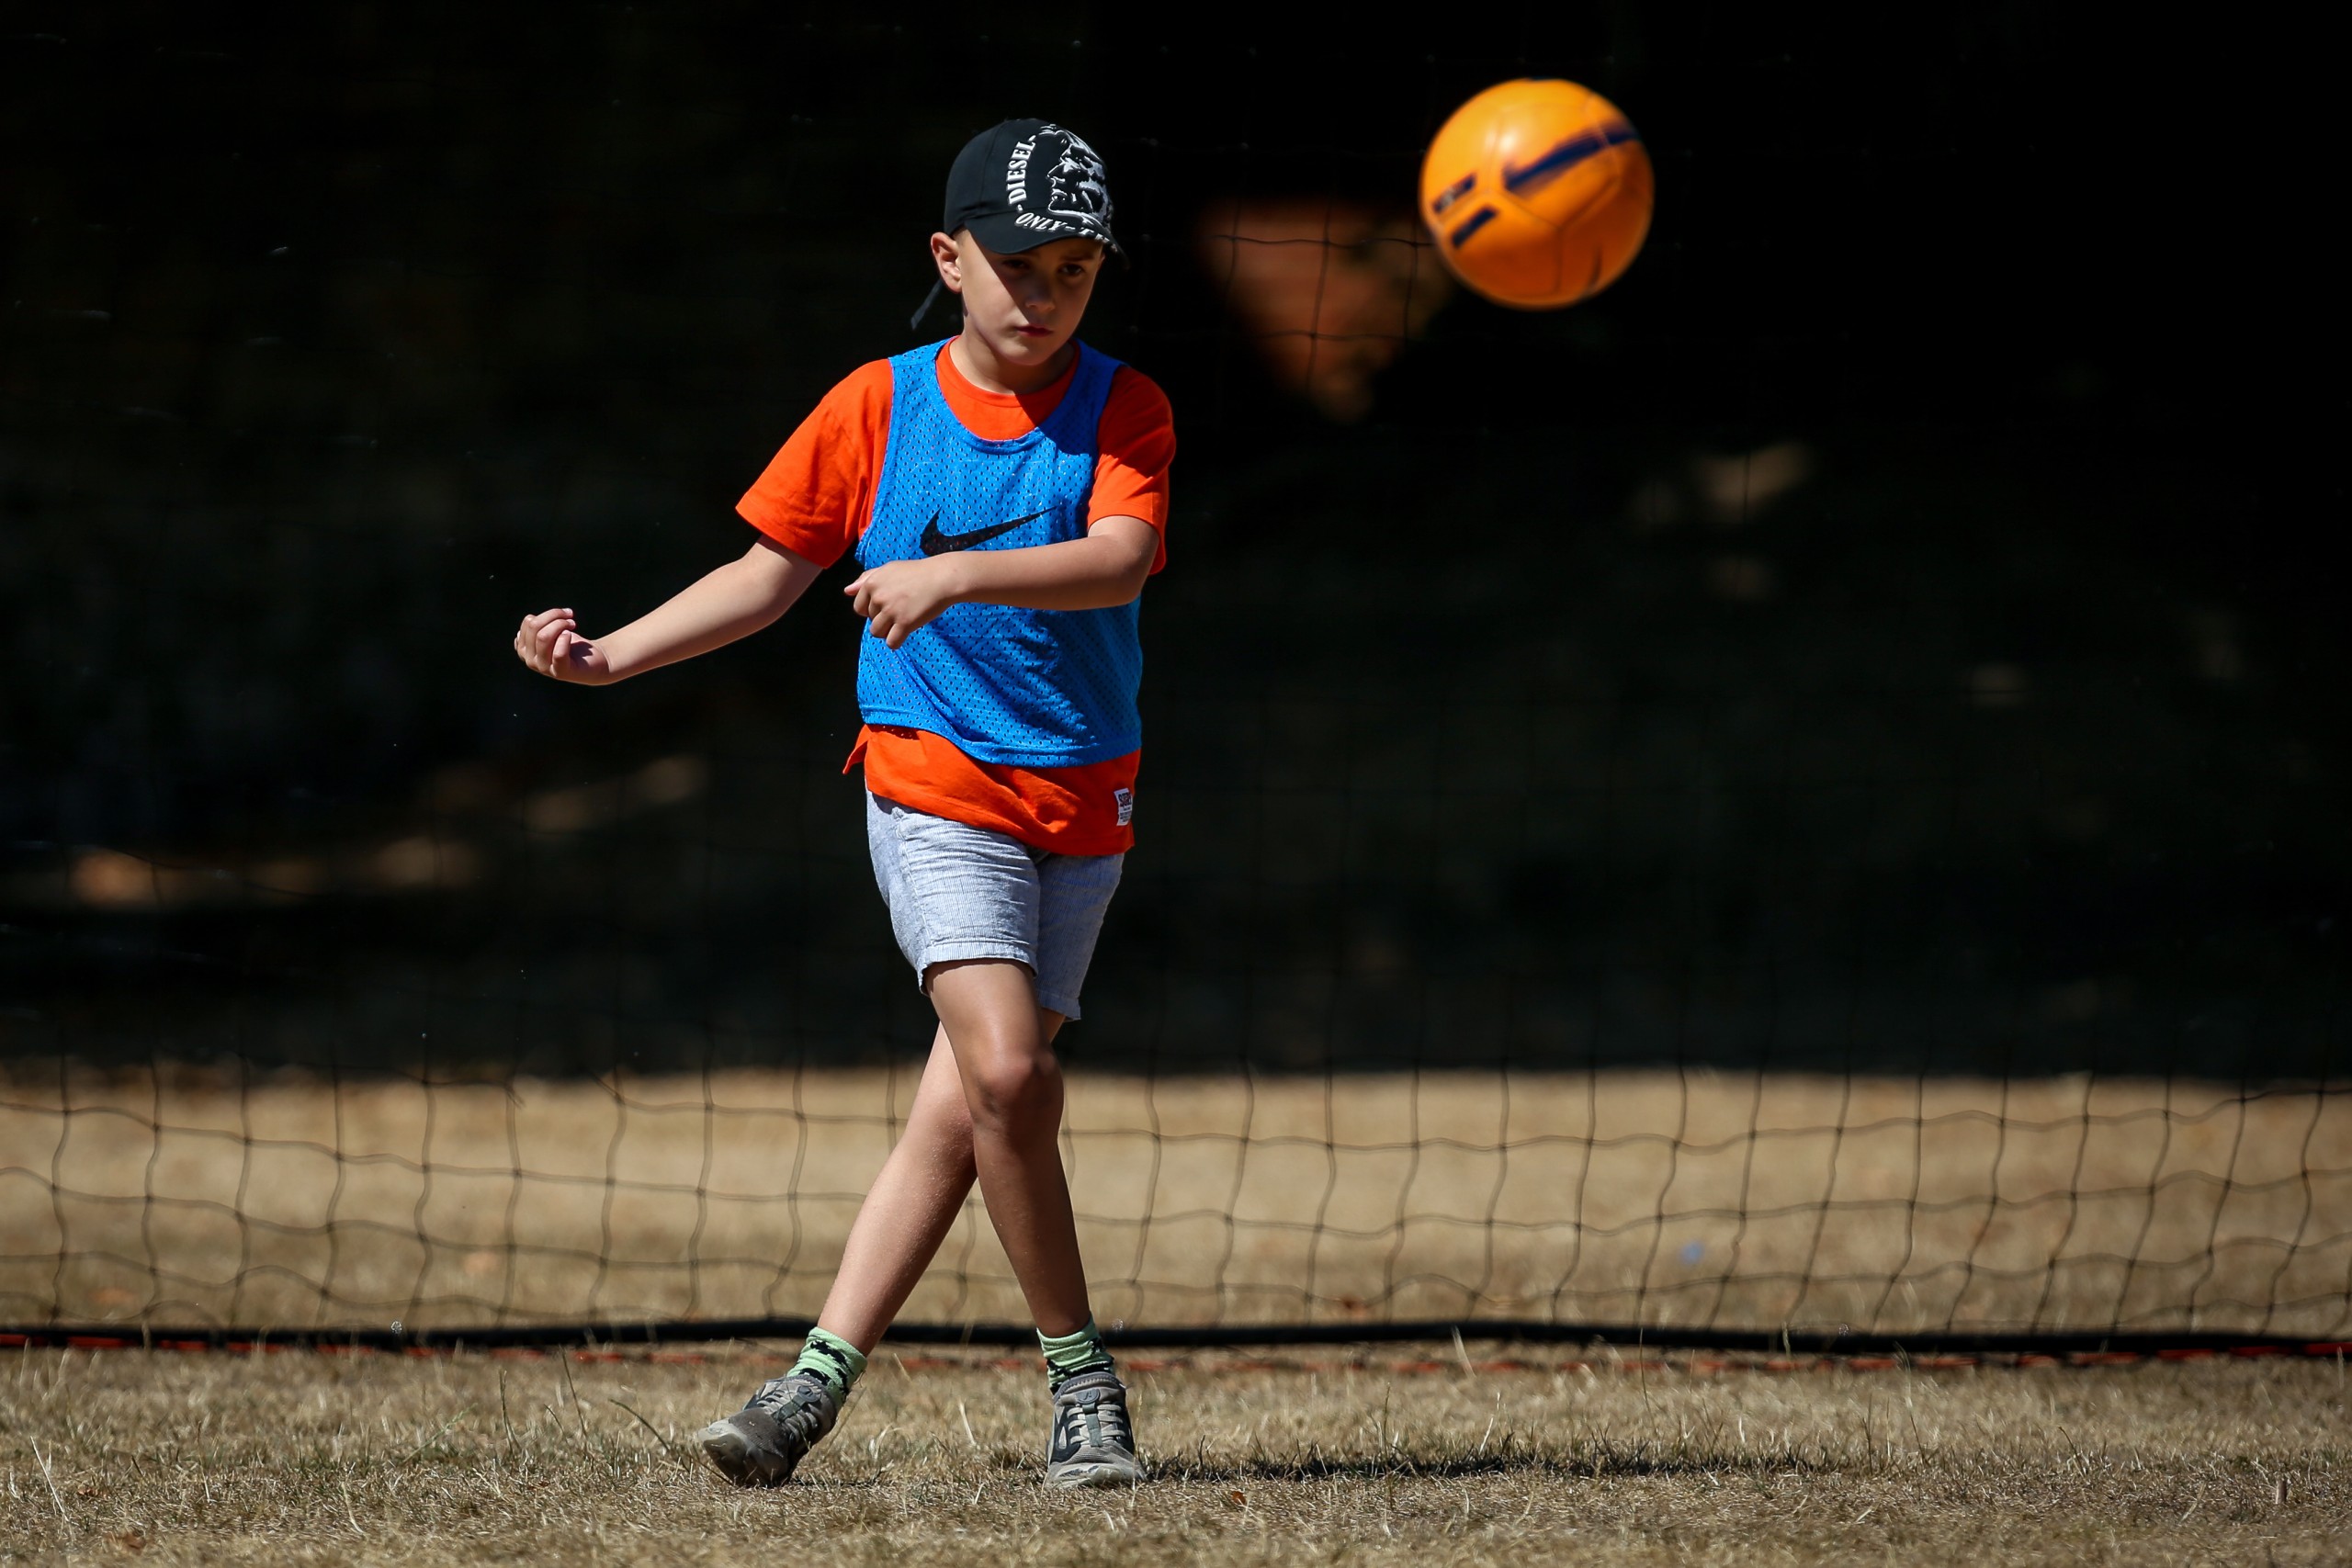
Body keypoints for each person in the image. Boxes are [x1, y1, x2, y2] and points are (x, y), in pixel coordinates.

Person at [511, 119, 1170, 1489]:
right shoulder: (877, 405)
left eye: (1075, 271)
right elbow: (766, 578)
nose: (1045, 295)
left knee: (968, 1109)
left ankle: (804, 1390)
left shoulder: (1126, 406)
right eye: (1016, 266)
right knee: (1008, 1075)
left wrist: (950, 575)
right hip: (934, 781)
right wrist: (610, 657)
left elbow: (1120, 559)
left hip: (1084, 798)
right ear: (948, 258)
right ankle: (1083, 1382)